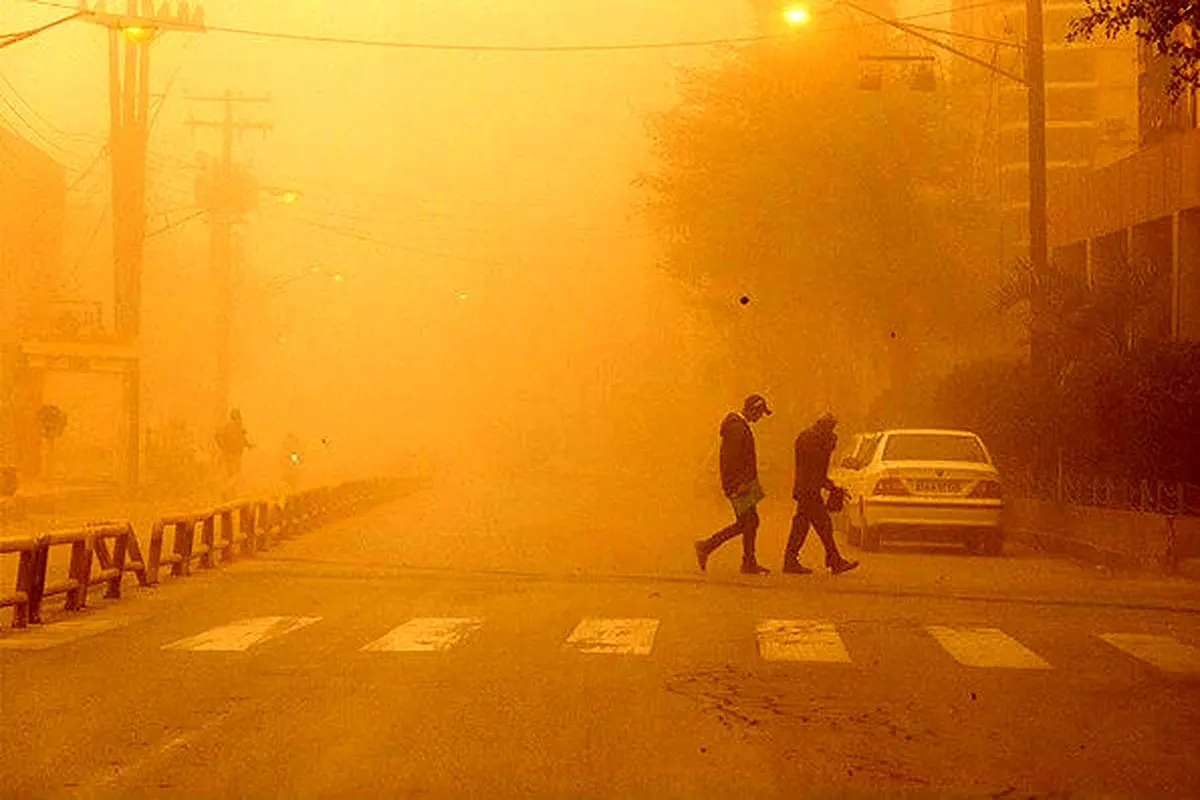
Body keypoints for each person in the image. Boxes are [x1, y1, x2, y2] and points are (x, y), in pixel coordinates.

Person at [694, 394, 773, 576]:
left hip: (744, 484)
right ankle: (707, 546)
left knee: (749, 522)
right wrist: (739, 484)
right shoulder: (737, 429)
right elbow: (731, 460)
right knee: (749, 522)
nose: (760, 418)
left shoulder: (739, 427)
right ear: (753, 410)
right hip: (740, 485)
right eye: (760, 413)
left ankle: (747, 561)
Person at [783, 412, 859, 575]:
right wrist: (828, 485)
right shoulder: (811, 439)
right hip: (808, 491)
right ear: (824, 425)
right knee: (818, 525)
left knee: (807, 526)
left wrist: (829, 486)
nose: (833, 431)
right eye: (831, 427)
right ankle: (832, 560)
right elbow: (814, 466)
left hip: (809, 489)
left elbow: (817, 470)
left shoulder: (813, 438)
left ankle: (828, 559)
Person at [215, 408, 253, 481]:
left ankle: (230, 488)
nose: (239, 419)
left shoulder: (232, 427)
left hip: (232, 453)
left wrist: (248, 445)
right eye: (238, 417)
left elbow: (241, 438)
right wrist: (222, 447)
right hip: (232, 453)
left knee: (231, 474)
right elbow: (218, 436)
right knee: (234, 474)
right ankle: (231, 489)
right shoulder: (230, 427)